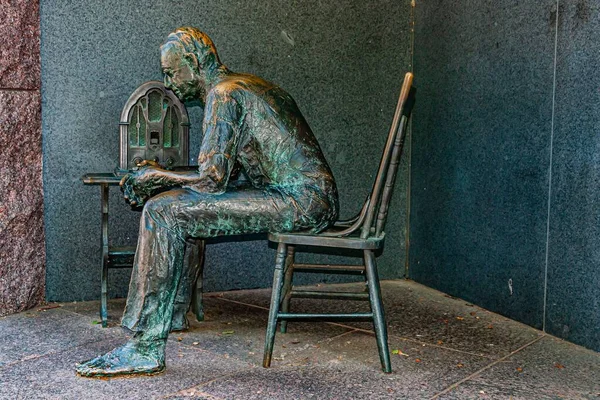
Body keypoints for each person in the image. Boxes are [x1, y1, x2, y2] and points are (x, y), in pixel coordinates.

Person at [76, 27, 338, 377]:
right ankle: (174, 311)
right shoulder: (247, 85)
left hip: (301, 201)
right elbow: (226, 176)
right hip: (308, 196)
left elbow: (212, 180)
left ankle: (145, 345)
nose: (168, 84)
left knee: (163, 210)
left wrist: (155, 177)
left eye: (171, 72)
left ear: (195, 62)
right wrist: (169, 180)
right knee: (185, 204)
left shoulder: (224, 94)